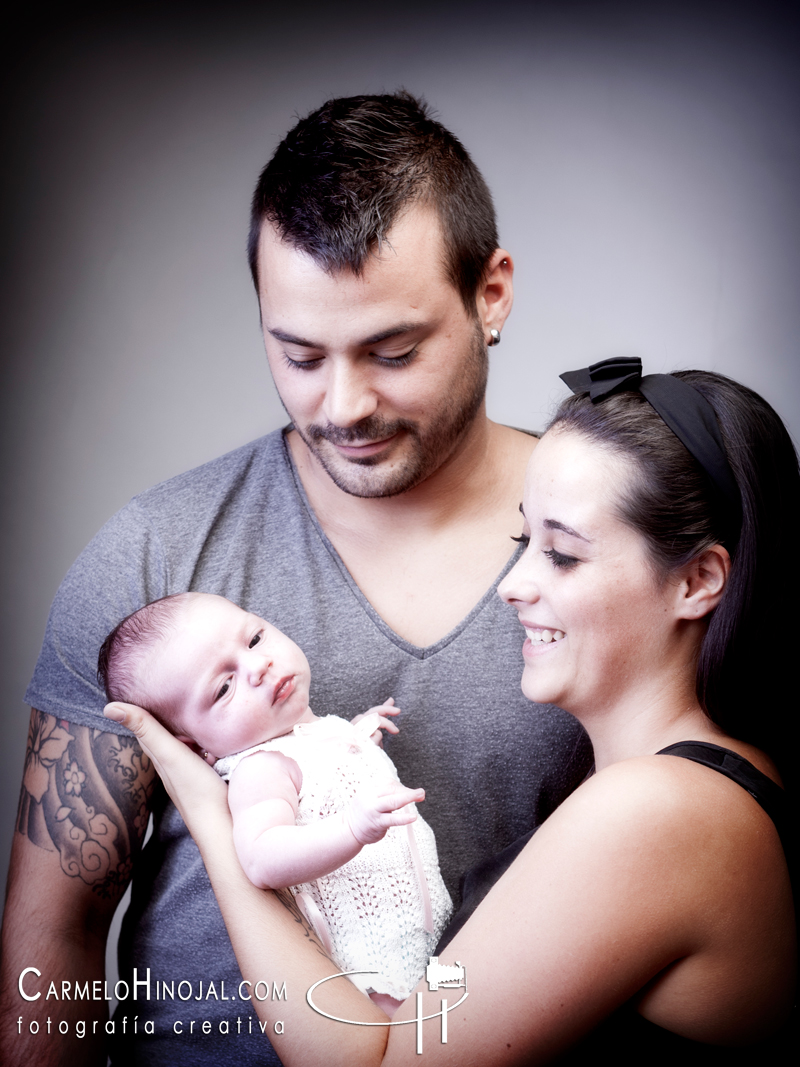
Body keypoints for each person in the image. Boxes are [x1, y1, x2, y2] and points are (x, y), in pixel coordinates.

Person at [0, 93, 592, 1066]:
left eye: (392, 351)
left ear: (491, 294)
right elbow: (55, 936)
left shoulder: (603, 551)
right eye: (299, 354)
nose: (344, 403)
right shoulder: (153, 558)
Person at [106, 361, 796, 1064]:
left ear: (698, 580)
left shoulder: (657, 811)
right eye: (522, 542)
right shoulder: (699, 786)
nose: (515, 585)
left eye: (561, 555)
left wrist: (213, 820)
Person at [97, 591, 453, 1011]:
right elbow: (262, 857)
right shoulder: (260, 770)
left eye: (254, 640)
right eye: (224, 687)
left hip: (425, 927)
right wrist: (352, 828)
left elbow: (327, 774)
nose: (259, 666)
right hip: (368, 955)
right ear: (193, 745)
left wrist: (359, 734)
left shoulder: (315, 734)